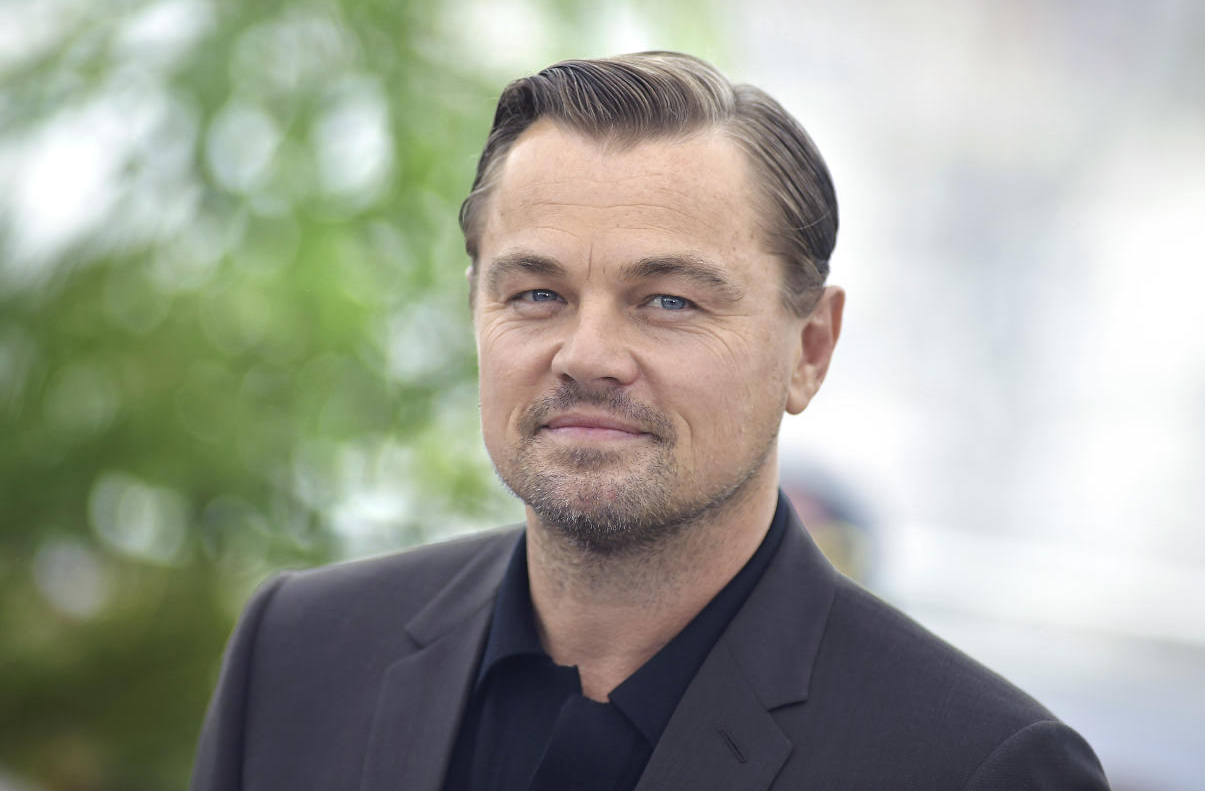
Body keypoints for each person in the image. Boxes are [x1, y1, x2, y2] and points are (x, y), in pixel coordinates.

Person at [191, 52, 1109, 790]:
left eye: (667, 301)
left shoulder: (980, 766)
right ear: (477, 308)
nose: (586, 353)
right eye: (538, 291)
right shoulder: (299, 652)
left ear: (811, 349)